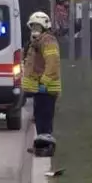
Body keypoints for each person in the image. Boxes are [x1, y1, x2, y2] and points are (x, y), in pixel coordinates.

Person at [21, 10, 61, 151]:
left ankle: (46, 146)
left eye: (37, 27)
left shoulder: (48, 40)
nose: (34, 30)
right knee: (39, 117)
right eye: (33, 27)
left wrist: (45, 81)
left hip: (46, 87)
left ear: (45, 26)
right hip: (39, 88)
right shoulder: (37, 42)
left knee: (44, 118)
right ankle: (40, 143)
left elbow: (52, 63)